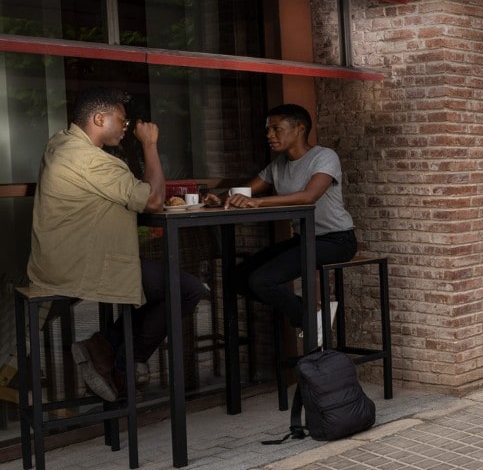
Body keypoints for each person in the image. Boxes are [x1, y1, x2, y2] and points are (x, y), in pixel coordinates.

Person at [28, 88, 208, 401]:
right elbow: (153, 200)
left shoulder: (60, 142)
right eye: (121, 121)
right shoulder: (90, 160)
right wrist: (150, 145)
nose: (126, 127)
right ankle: (118, 363)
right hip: (82, 265)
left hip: (60, 258)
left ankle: (105, 349)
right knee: (188, 289)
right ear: (99, 118)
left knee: (166, 287)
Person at [225, 104, 356, 345]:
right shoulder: (278, 165)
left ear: (299, 129)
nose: (269, 135)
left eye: (276, 128)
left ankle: (307, 319)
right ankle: (311, 314)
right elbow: (246, 191)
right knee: (237, 277)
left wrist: (258, 202)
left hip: (336, 240)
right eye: (268, 129)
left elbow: (309, 197)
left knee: (261, 280)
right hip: (303, 239)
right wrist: (223, 197)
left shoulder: (324, 156)